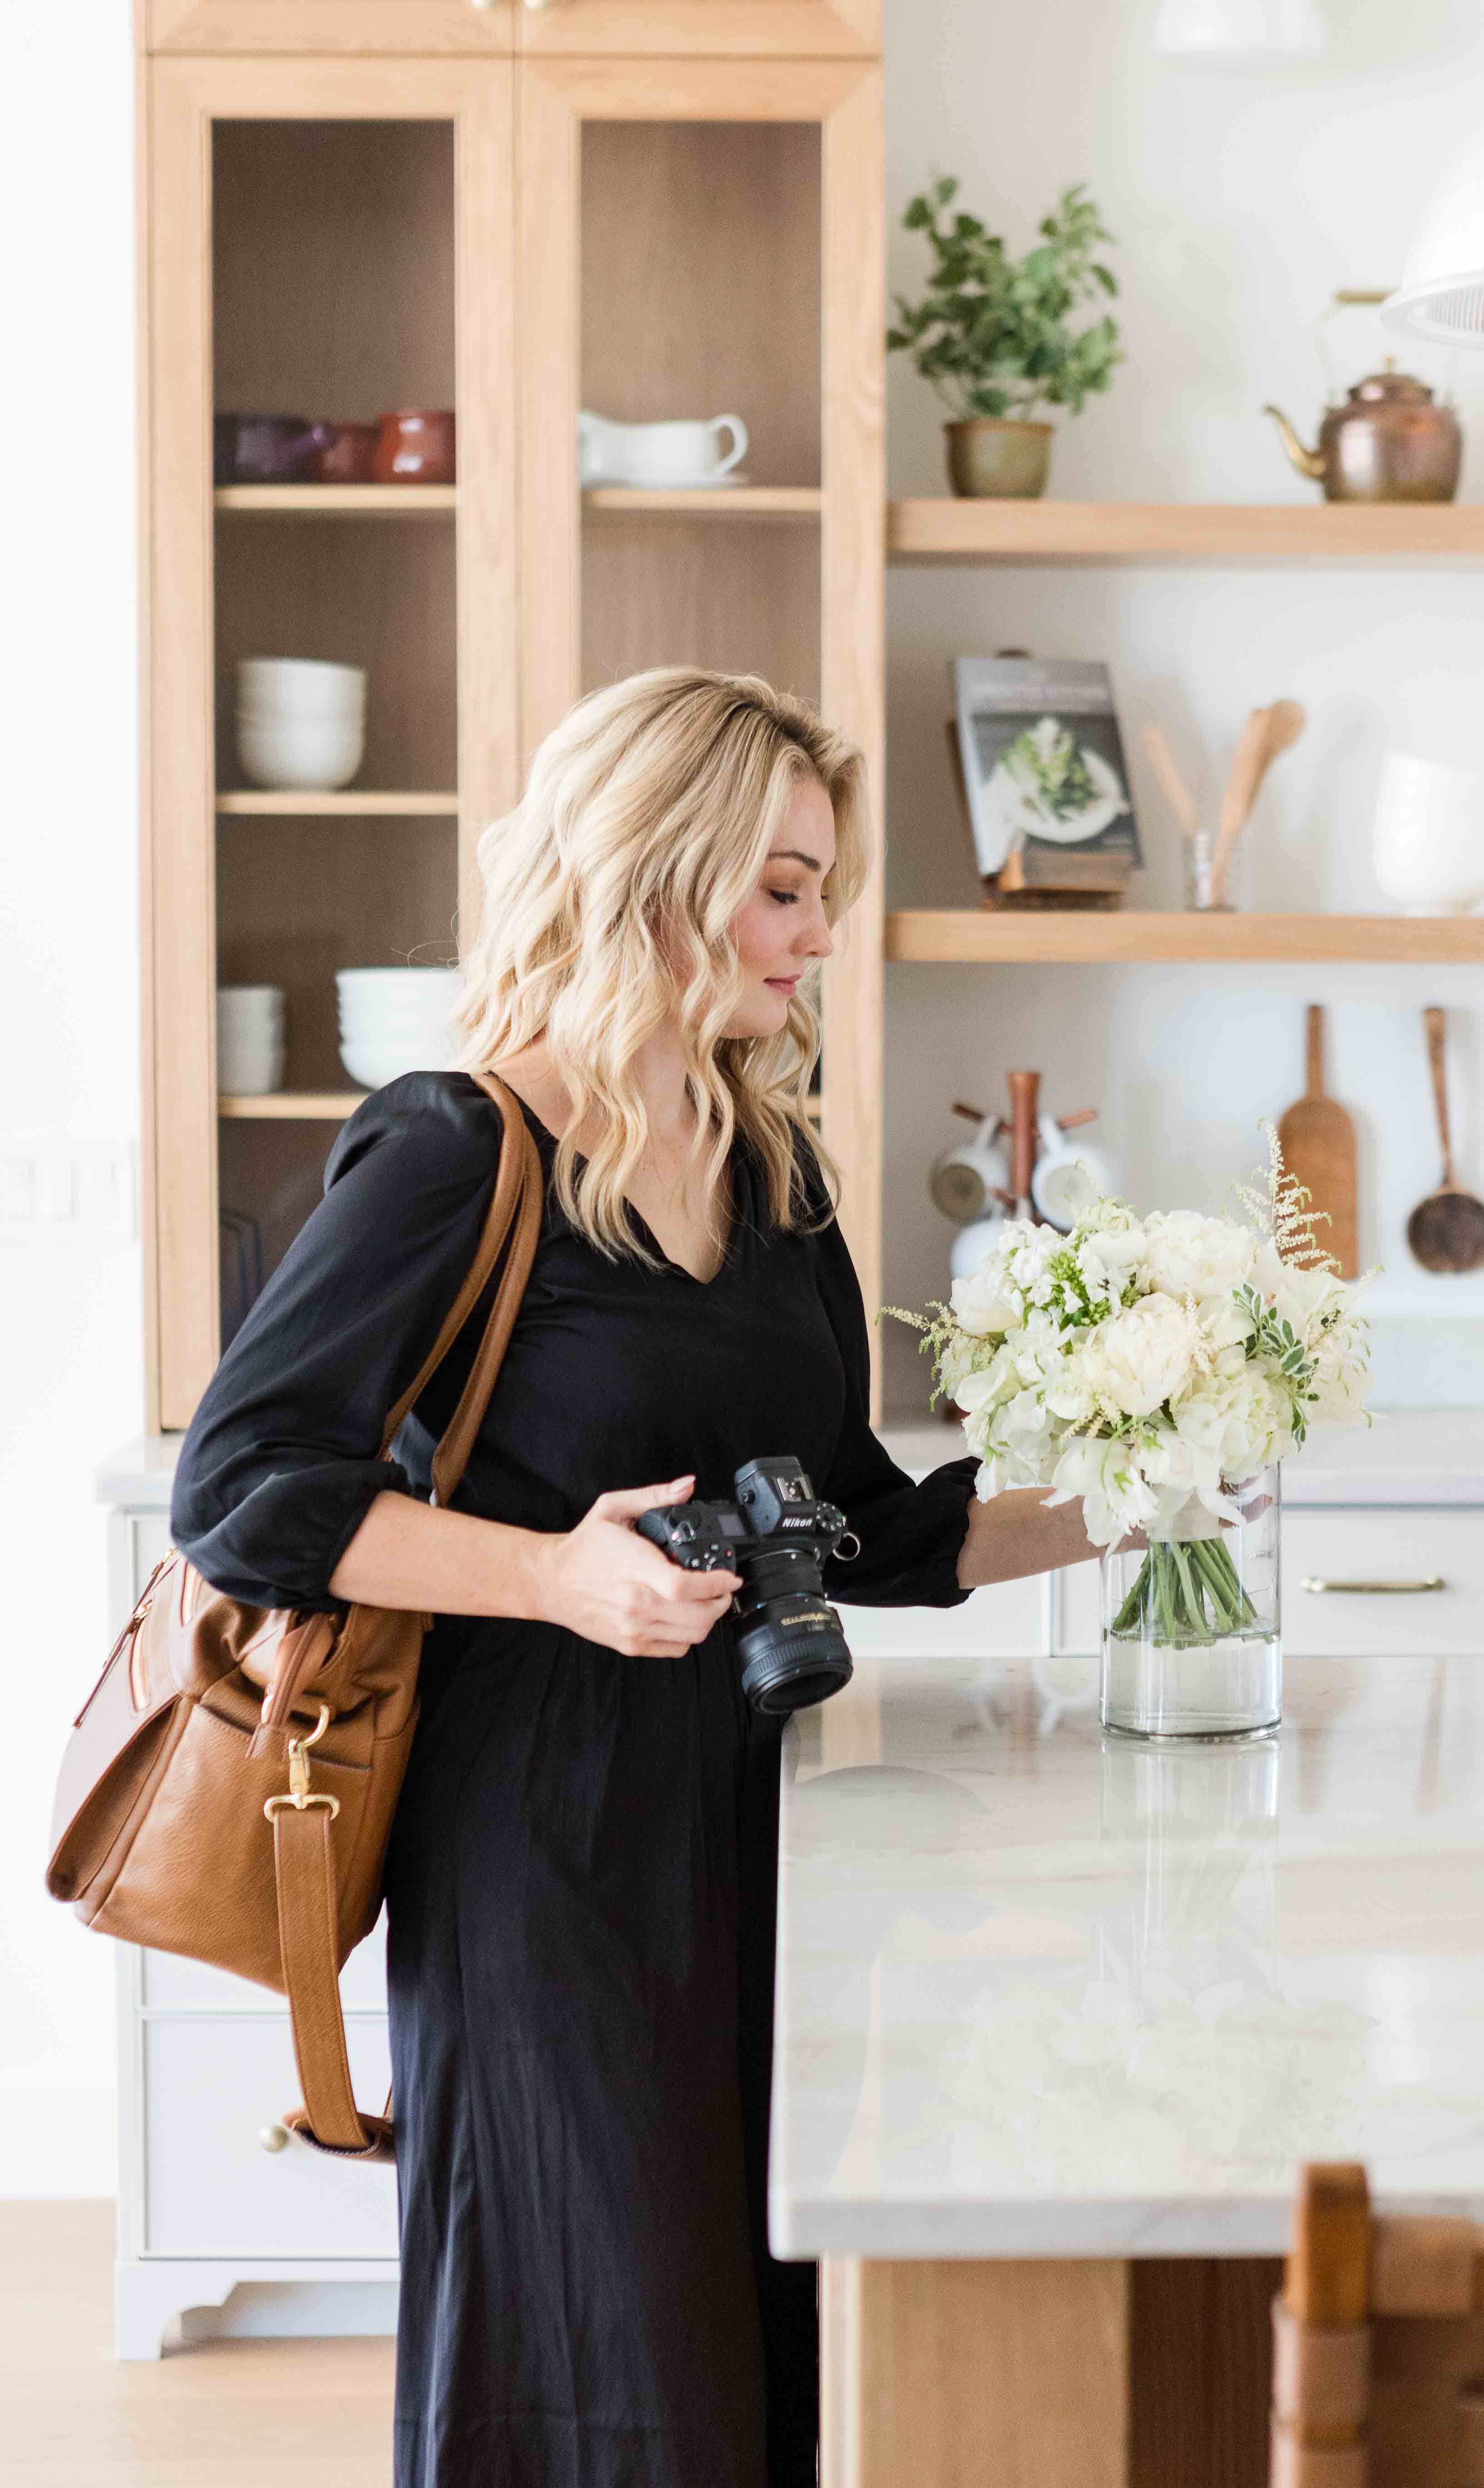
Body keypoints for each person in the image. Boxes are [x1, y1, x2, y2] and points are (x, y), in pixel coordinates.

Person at [170, 667, 1102, 2488]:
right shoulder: (460, 1141)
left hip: (762, 1829)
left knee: (743, 2317)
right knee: (594, 2315)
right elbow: (244, 1490)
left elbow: (865, 1528)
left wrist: (1129, 1504)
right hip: (540, 1834)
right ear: (651, 870)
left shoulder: (778, 1179)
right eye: (780, 885)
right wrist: (550, 1576)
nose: (815, 932)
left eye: (820, 887)